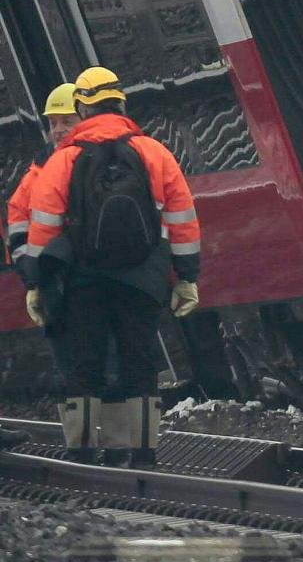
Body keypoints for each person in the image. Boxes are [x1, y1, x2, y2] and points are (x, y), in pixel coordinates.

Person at [18, 66, 202, 464]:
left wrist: (36, 283)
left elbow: (44, 226)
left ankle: (82, 451)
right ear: (121, 103)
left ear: (82, 109)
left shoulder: (64, 160)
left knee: (85, 364)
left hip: (83, 280)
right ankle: (143, 453)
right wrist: (186, 277)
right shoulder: (154, 152)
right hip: (143, 277)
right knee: (141, 363)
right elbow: (182, 217)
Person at [6, 84, 77, 265]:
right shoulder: (35, 176)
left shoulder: (102, 160)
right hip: (63, 279)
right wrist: (27, 266)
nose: (58, 129)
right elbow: (18, 225)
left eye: (67, 121)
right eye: (53, 123)